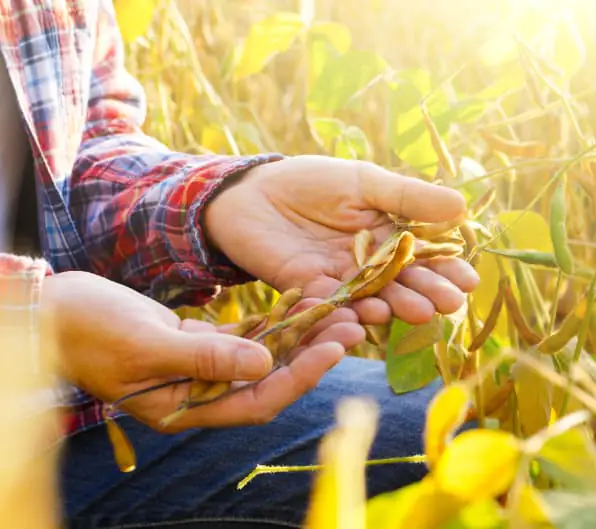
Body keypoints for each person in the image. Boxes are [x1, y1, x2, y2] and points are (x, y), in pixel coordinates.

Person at [0, 1, 479, 528]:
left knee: (460, 432)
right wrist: (31, 320)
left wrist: (214, 205)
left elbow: (79, 142)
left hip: (70, 419)